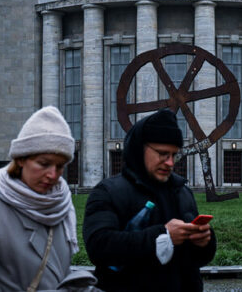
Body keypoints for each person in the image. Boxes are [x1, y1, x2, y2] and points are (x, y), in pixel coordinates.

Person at [0, 106, 97, 291]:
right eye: (44, 164)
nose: (53, 174)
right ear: (21, 159)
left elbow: (56, 272)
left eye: (60, 166)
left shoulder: (62, 205)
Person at [83, 109, 216, 292]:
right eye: (162, 154)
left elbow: (196, 260)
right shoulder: (108, 191)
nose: (170, 163)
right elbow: (99, 246)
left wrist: (204, 242)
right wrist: (163, 236)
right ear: (139, 149)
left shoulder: (182, 192)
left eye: (173, 155)